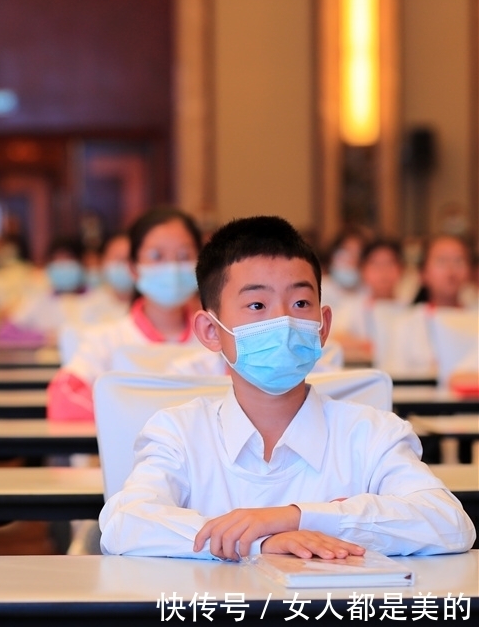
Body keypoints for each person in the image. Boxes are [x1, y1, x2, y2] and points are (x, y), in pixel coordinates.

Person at [98, 215, 475, 560]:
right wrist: (262, 542)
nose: (283, 321)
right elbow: (124, 523)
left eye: (300, 302)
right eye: (257, 305)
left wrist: (295, 519)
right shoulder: (178, 432)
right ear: (211, 332)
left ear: (323, 325)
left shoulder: (372, 432)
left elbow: (449, 523)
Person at [47, 207, 204, 422]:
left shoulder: (219, 340)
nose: (172, 267)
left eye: (184, 256)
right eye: (156, 256)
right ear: (133, 268)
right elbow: (64, 401)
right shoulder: (106, 340)